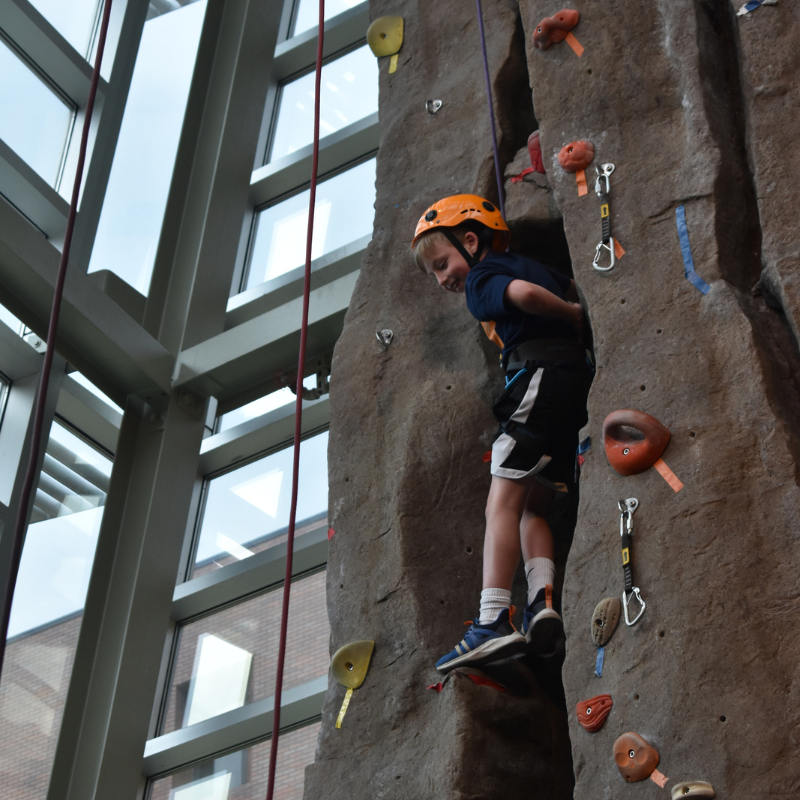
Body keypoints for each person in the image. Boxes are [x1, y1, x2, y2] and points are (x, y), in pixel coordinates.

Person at [411, 194, 593, 672]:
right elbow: (565, 286)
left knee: (502, 503)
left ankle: (492, 618)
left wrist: (572, 317)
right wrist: (575, 310)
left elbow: (524, 297)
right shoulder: (534, 266)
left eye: (443, 262)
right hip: (571, 386)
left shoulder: (483, 279)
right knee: (534, 502)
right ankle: (541, 601)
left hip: (537, 379)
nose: (442, 278)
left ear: (471, 242)